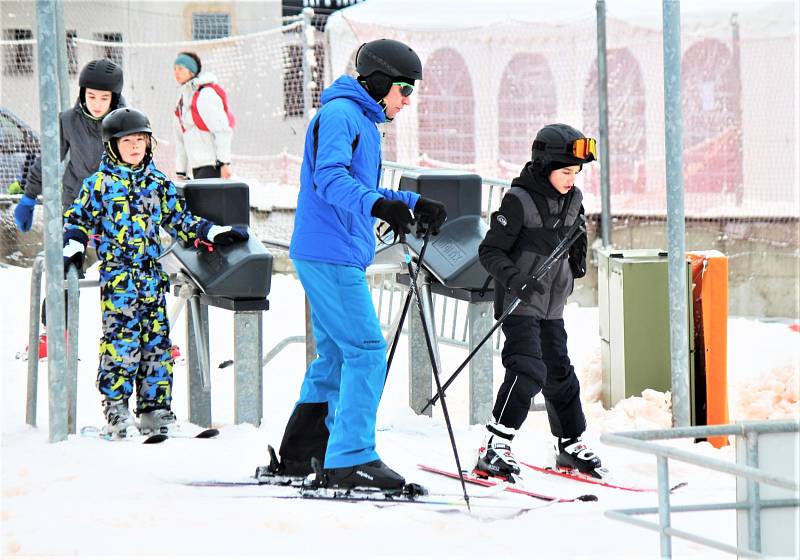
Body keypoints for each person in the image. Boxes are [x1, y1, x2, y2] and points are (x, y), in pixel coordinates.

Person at [272, 39, 447, 490]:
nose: (406, 101)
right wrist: (379, 207)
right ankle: (351, 457)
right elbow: (330, 179)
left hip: (332, 250)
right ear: (381, 80)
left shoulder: (362, 121)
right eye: (404, 90)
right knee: (367, 351)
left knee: (335, 356)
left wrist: (410, 201)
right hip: (329, 252)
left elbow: (357, 182)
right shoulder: (341, 116)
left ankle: (303, 452)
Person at [62, 107, 248, 437]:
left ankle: (155, 409)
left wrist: (211, 232)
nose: (135, 146)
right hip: (118, 278)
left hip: (150, 277)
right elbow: (77, 220)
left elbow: (179, 222)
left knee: (157, 346)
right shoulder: (100, 185)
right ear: (112, 146)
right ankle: (116, 410)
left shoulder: (157, 184)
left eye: (141, 140)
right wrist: (74, 246)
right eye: (127, 141)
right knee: (121, 344)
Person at [474, 123, 603, 481]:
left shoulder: (573, 200)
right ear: (545, 166)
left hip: (552, 306)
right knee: (528, 369)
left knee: (560, 373)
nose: (571, 179)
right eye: (565, 171)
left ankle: (570, 445)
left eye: (576, 172)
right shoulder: (519, 202)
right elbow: (489, 251)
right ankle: (494, 446)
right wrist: (515, 279)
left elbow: (574, 241)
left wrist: (577, 256)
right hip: (521, 303)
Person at [13, 58, 125, 357]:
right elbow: (47, 159)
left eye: (104, 98)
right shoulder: (68, 121)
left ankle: (132, 331)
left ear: (114, 97)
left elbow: (142, 163)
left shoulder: (127, 122)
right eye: (91, 96)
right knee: (64, 264)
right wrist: (28, 196)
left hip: (116, 209)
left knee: (129, 268)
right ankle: (54, 332)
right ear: (82, 93)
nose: (97, 103)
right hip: (76, 206)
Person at [172, 51, 234, 180]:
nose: (176, 72)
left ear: (191, 72)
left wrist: (224, 163)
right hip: (197, 166)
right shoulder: (182, 99)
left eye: (180, 68)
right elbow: (180, 138)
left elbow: (221, 129)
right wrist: (181, 171)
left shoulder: (205, 94)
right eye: (174, 69)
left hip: (212, 165)